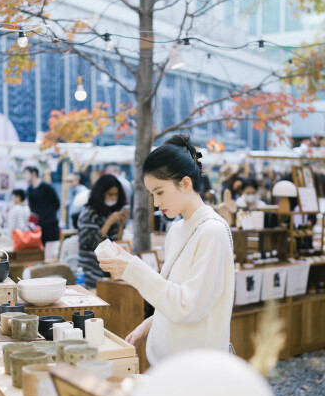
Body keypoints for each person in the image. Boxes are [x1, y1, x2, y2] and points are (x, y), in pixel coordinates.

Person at [98, 135, 235, 365]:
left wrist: (132, 269)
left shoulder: (212, 231)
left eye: (159, 192)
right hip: (169, 365)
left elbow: (187, 307)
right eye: (152, 194)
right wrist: (148, 324)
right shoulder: (177, 229)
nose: (155, 202)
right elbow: (171, 294)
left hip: (198, 371)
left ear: (185, 183)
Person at [78, 174, 129, 288]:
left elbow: (117, 242)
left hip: (108, 270)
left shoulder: (112, 212)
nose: (113, 198)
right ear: (101, 193)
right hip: (91, 269)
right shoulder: (88, 213)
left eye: (116, 195)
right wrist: (109, 222)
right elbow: (88, 242)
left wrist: (121, 223)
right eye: (110, 194)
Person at [24, 166, 60, 258]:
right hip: (37, 226)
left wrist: (49, 215)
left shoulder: (46, 187)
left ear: (34, 173)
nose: (25, 176)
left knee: (51, 253)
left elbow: (57, 203)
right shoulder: (29, 190)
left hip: (50, 224)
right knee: (39, 252)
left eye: (26, 173)